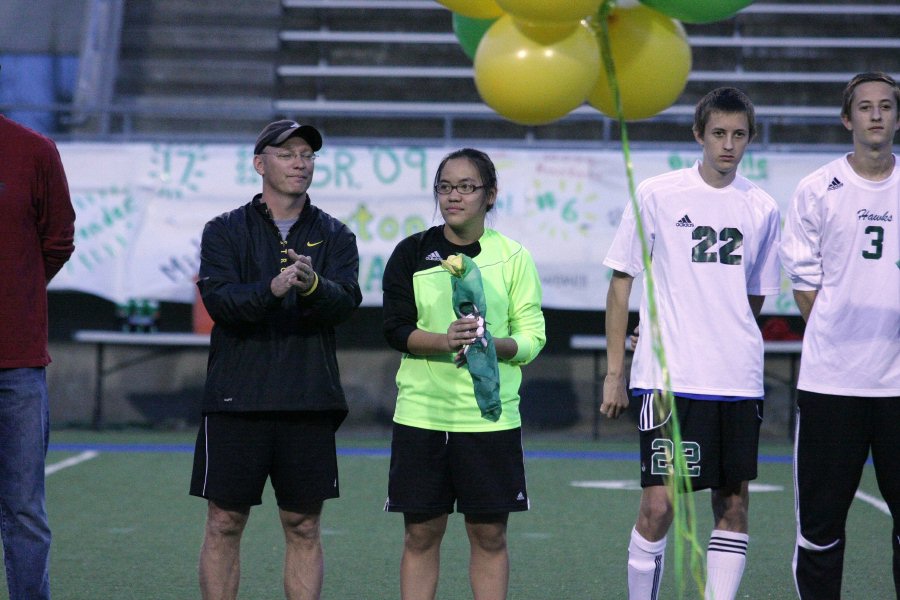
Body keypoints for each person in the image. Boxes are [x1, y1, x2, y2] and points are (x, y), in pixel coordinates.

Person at [601, 87, 782, 600]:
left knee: (732, 505)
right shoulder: (657, 194)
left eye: (739, 135)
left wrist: (723, 333)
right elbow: (620, 285)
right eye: (719, 133)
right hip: (665, 379)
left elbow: (754, 299)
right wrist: (616, 373)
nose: (728, 145)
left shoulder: (763, 208)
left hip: (735, 379)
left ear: (750, 138)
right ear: (698, 135)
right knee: (659, 507)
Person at [190, 119, 362, 600]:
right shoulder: (223, 231)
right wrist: (273, 288)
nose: (300, 163)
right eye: (288, 153)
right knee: (224, 520)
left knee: (304, 524)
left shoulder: (335, 234)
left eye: (307, 154)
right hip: (235, 397)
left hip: (308, 398)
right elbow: (221, 304)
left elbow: (346, 302)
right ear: (259, 163)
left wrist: (312, 286)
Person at [382, 148, 546, 600]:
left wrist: (492, 344)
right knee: (420, 535)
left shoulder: (514, 258)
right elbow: (394, 328)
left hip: (489, 420)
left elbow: (533, 339)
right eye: (445, 187)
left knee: (489, 536)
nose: (454, 196)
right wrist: (444, 340)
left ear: (490, 196)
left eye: (467, 187)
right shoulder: (411, 252)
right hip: (421, 416)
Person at [780, 72, 900, 600]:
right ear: (847, 119)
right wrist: (839, 328)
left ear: (897, 116)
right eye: (866, 107)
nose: (877, 115)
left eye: (887, 106)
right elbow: (805, 284)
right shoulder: (816, 189)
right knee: (821, 529)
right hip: (833, 386)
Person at [0, 114, 76, 599]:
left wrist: (17, 294)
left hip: (17, 361)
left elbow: (58, 239)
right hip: (20, 354)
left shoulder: (34, 150)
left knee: (25, 508)